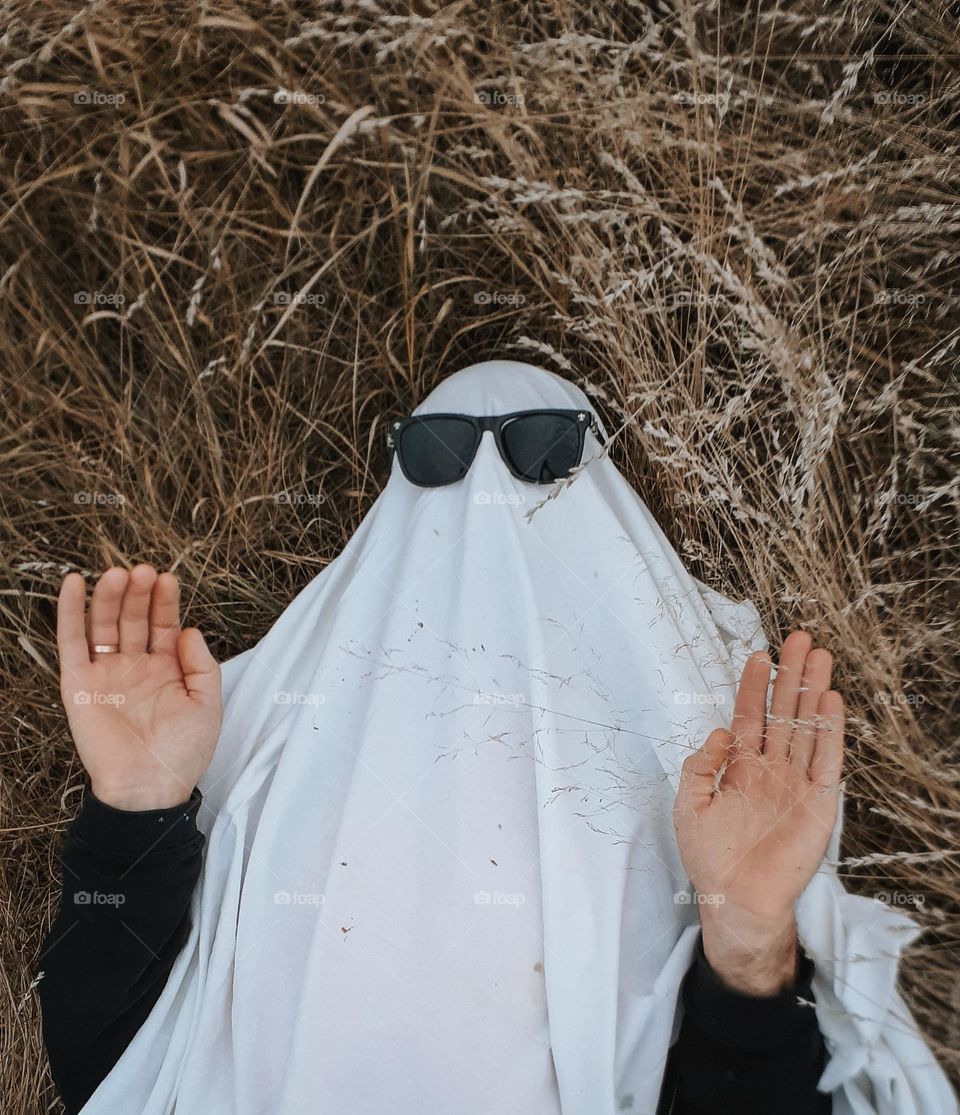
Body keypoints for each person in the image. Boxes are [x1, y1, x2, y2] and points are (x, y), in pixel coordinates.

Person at [37, 362, 956, 1114]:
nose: (484, 489)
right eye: (433, 459)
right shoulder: (273, 740)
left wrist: (746, 932)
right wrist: (140, 797)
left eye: (544, 457)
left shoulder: (699, 761)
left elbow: (111, 1069)